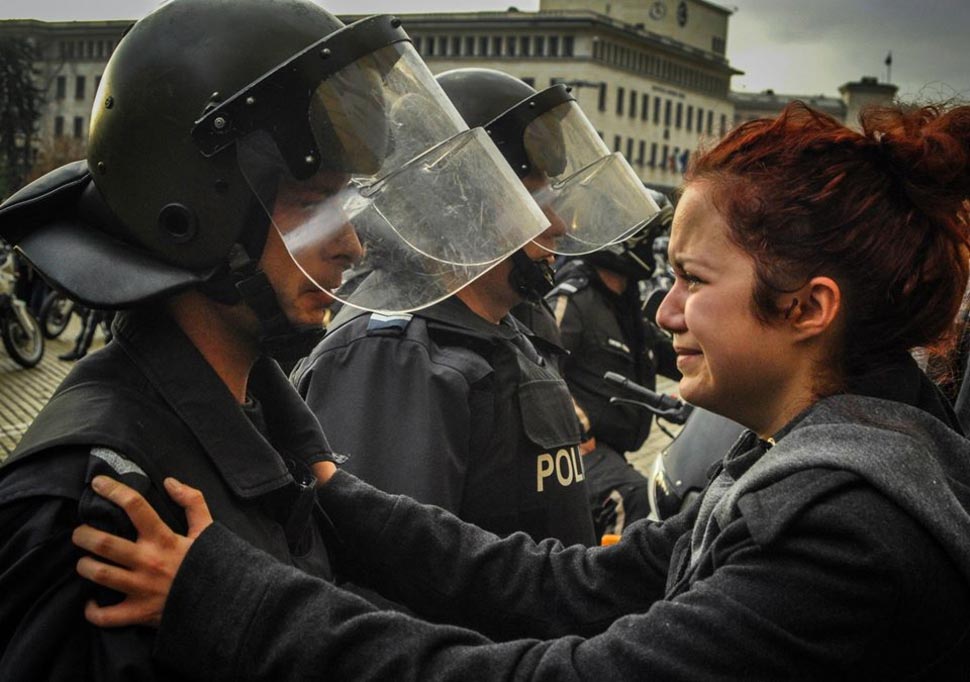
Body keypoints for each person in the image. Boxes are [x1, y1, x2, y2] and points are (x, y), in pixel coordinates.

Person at [75, 100, 970, 678]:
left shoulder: (846, 525)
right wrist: (340, 497)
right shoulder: (812, 458)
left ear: (810, 309)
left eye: (694, 279)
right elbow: (572, 584)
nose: (664, 312)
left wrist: (226, 598)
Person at [0, 1, 549, 678]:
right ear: (198, 211)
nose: (349, 245)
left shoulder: (275, 436)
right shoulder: (98, 497)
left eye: (346, 207)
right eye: (313, 204)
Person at [290, 68, 661, 546]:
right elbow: (388, 576)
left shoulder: (510, 329)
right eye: (532, 194)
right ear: (463, 201)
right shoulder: (396, 356)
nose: (559, 224)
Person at [546, 190, 680, 535]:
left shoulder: (629, 311)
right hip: (577, 453)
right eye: (646, 238)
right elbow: (540, 363)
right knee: (634, 498)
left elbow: (676, 356)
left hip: (613, 452)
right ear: (619, 238)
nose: (654, 248)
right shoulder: (574, 300)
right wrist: (577, 426)